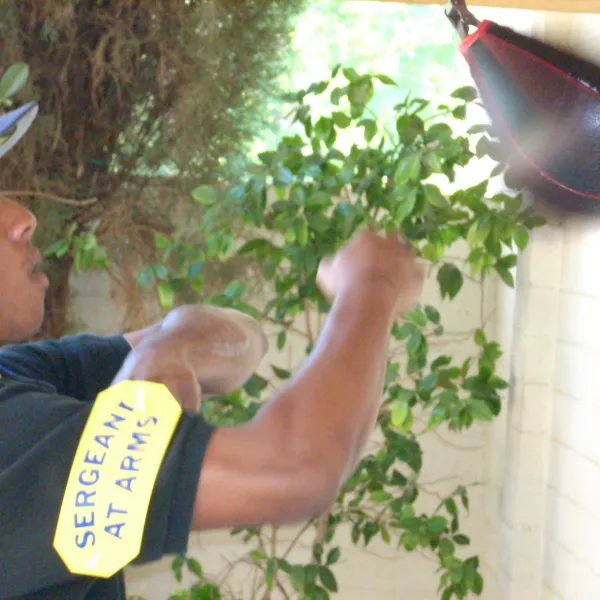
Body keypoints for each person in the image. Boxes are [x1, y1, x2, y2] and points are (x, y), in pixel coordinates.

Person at [0, 102, 425, 600]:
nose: (23, 218)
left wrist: (170, 344)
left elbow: (239, 341)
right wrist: (372, 285)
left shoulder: (18, 375)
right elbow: (295, 467)